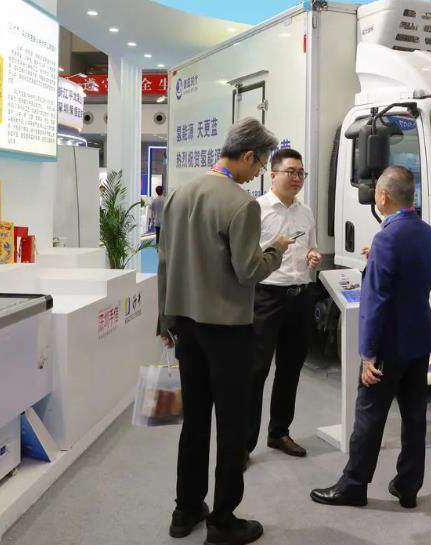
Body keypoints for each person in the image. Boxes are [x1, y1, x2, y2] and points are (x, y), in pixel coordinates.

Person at [157, 117, 294, 545]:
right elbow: (248, 270)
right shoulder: (241, 204)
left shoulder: (180, 194)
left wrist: (165, 319)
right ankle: (223, 521)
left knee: (195, 420)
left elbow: (164, 261)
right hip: (228, 329)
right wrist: (276, 250)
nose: (258, 174)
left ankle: (185, 510)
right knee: (232, 425)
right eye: (261, 165)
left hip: (185, 325)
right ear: (248, 156)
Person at [310, 166, 431, 509]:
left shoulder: (387, 237)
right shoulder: (425, 231)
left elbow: (377, 300)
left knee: (369, 416)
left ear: (382, 196)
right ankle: (408, 486)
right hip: (419, 339)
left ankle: (353, 485)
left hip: (389, 344)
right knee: (415, 417)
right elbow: (414, 278)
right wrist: (376, 258)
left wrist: (367, 354)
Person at [246, 148, 322, 463]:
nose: (296, 178)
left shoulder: (306, 212)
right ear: (273, 173)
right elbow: (246, 256)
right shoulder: (257, 209)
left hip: (300, 295)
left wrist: (313, 256)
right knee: (256, 371)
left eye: (301, 173)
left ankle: (279, 432)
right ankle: (244, 444)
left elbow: (312, 247)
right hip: (266, 297)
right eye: (290, 172)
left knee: (290, 369)